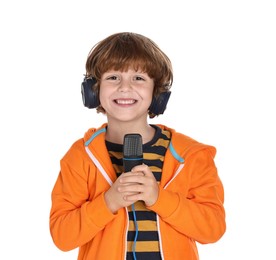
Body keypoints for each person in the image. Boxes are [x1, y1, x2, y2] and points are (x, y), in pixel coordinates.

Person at [49, 32, 226, 260]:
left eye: (138, 78)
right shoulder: (81, 157)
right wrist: (108, 202)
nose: (125, 87)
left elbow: (213, 229)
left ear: (158, 93)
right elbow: (63, 237)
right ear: (93, 90)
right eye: (113, 77)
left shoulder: (190, 156)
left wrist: (158, 198)